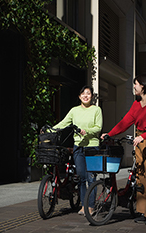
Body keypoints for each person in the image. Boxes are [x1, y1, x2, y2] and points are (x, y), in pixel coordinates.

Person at [101, 74, 146, 226]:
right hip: (141, 143)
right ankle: (144, 212)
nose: (134, 86)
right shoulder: (137, 104)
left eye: (136, 84)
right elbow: (125, 122)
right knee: (141, 178)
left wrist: (143, 137)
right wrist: (109, 133)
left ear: (144, 86)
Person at [53, 85, 102, 216]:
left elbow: (98, 127)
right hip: (78, 147)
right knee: (81, 177)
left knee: (91, 177)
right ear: (79, 96)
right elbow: (64, 123)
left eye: (88, 93)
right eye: (83, 94)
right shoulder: (74, 110)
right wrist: (51, 130)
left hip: (92, 146)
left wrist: (88, 131)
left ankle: (91, 206)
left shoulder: (96, 110)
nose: (86, 96)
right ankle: (83, 205)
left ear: (92, 96)